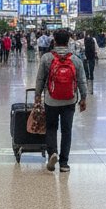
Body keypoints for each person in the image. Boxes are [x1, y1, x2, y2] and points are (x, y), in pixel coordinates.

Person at [35, 28, 87, 172]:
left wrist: (38, 95)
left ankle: (52, 153)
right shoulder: (75, 59)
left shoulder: (47, 58)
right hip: (69, 100)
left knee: (51, 128)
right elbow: (82, 80)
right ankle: (64, 163)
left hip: (51, 99)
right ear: (69, 40)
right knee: (67, 130)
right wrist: (83, 98)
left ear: (55, 41)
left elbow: (40, 78)